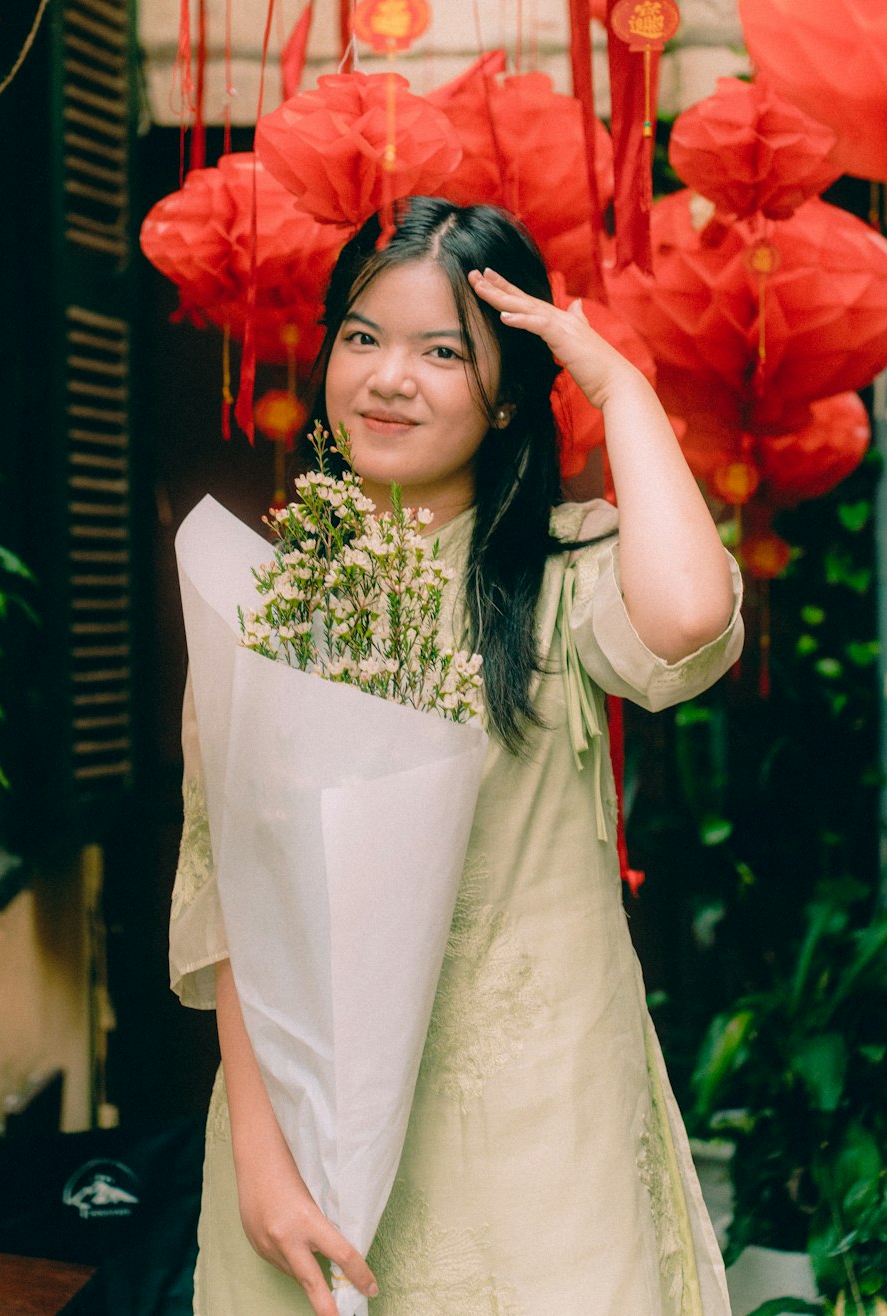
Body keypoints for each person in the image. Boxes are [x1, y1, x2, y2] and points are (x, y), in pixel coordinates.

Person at [170, 198, 743, 1316]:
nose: (390, 377)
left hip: (538, 1123)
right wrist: (258, 1155)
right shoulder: (274, 596)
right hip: (308, 1135)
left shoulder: (560, 575)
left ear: (511, 395)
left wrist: (620, 385)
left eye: (443, 352)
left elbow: (682, 616)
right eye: (363, 337)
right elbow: (228, 890)